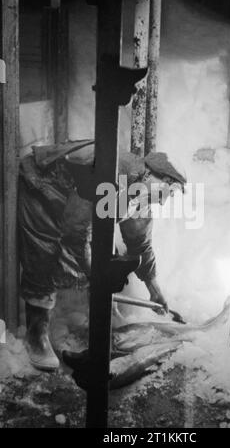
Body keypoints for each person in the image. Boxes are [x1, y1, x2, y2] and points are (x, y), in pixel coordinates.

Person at [18, 141, 187, 371]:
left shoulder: (142, 193)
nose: (165, 200)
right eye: (167, 191)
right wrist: (98, 277)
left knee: (105, 251)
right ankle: (36, 332)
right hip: (45, 180)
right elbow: (75, 232)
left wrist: (155, 292)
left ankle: (101, 318)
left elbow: (140, 243)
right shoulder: (112, 176)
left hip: (77, 198)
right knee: (46, 250)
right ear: (150, 175)